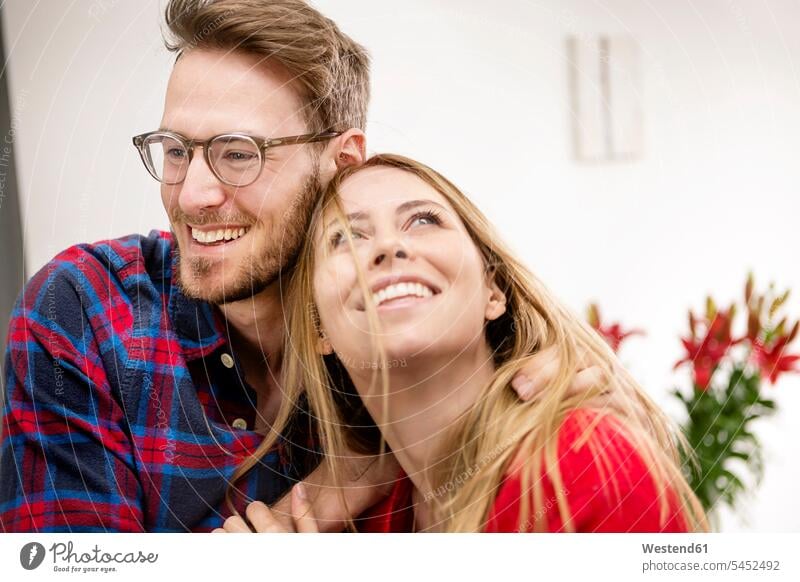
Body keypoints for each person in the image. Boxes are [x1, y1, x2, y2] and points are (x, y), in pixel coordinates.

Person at [0, 1, 592, 532]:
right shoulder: (86, 309)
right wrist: (301, 513)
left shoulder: (400, 325)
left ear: (341, 162)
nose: (192, 195)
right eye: (177, 150)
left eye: (238, 153)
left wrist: (555, 378)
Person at [222, 154, 708, 533]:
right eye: (346, 237)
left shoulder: (584, 464)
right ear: (319, 329)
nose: (389, 247)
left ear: (493, 292)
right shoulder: (368, 525)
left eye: (423, 220)